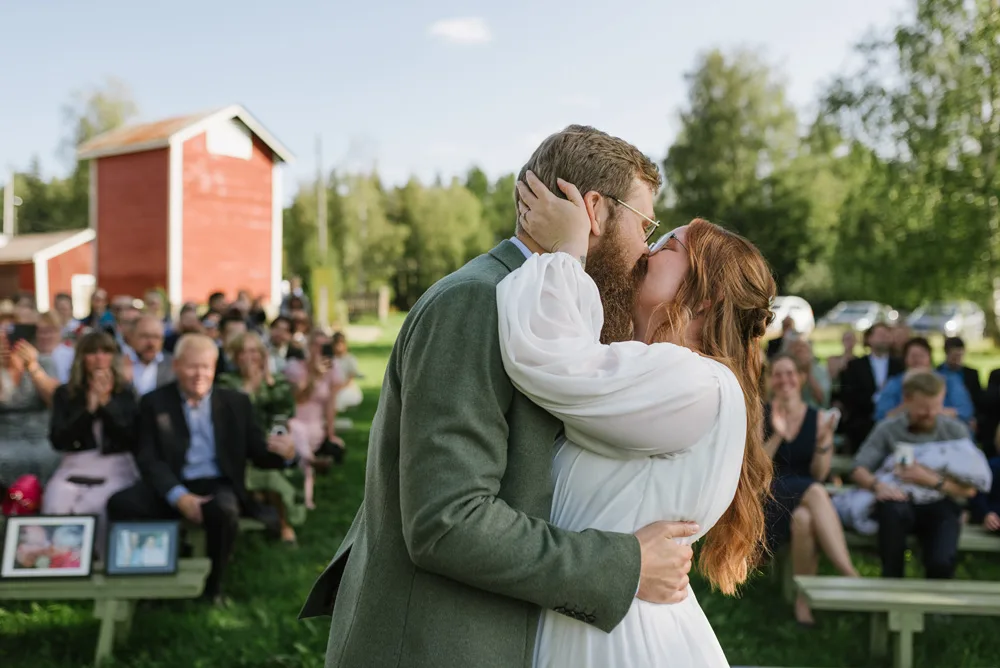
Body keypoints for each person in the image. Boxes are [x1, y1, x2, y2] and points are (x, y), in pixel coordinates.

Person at [300, 126, 698, 668]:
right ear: (596, 211)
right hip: (434, 646)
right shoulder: (477, 302)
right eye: (645, 224)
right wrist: (622, 566)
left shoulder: (538, 308)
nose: (646, 249)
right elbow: (447, 519)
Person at [501, 170, 774, 666]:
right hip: (599, 617)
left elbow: (548, 359)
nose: (649, 246)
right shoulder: (666, 375)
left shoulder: (696, 383)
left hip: (621, 642)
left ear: (705, 297)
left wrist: (567, 250)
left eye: (671, 245)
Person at [106, 333, 297, 604]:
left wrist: (287, 454)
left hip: (216, 483)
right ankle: (146, 580)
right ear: (176, 366)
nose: (200, 374)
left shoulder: (236, 403)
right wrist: (178, 496)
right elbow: (148, 459)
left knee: (225, 511)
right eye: (192, 366)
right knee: (121, 504)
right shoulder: (154, 403)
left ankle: (213, 588)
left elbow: (258, 452)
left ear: (215, 367)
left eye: (206, 367)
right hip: (172, 482)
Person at [851, 371, 983, 579]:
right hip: (898, 501)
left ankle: (939, 604)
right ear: (907, 400)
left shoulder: (955, 432)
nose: (930, 414)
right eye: (923, 409)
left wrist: (930, 479)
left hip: (941, 503)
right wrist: (878, 486)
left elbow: (970, 488)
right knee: (892, 513)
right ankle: (891, 591)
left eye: (936, 406)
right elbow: (858, 468)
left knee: (941, 562)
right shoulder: (888, 429)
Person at [764, 355, 857, 626]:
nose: (785, 380)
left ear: (801, 378)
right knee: (816, 491)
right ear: (771, 380)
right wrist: (779, 434)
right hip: (771, 495)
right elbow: (756, 473)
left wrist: (824, 443)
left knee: (804, 520)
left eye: (790, 373)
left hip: (804, 497)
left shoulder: (817, 418)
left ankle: (802, 600)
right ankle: (850, 575)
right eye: (778, 374)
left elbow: (818, 472)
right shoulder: (761, 413)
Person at [43, 331, 140, 555]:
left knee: (93, 506)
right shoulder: (65, 394)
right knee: (56, 501)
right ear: (81, 358)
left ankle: (99, 563)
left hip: (116, 465)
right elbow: (59, 440)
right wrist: (89, 409)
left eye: (105, 352)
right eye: (92, 352)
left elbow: (130, 437)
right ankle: (59, 564)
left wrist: (106, 405)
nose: (99, 358)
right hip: (75, 465)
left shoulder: (125, 393)